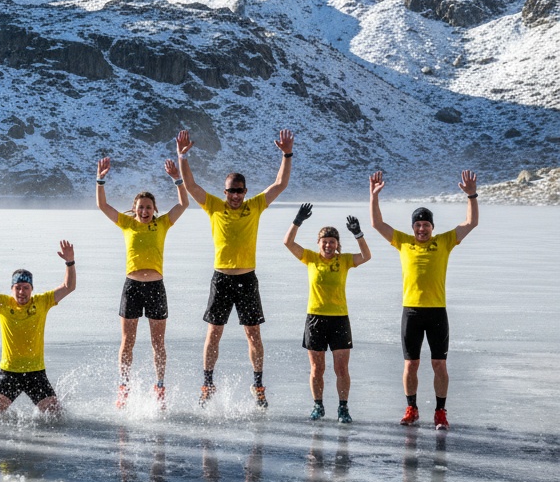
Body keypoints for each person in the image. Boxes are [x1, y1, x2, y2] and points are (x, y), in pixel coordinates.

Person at [177, 127, 295, 408]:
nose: (235, 195)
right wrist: (182, 157)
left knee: (253, 334)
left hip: (247, 279)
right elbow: (191, 186)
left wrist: (287, 155)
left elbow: (280, 184)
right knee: (213, 333)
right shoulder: (214, 207)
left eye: (239, 191)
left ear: (245, 191)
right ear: (225, 191)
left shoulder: (254, 206)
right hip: (221, 279)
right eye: (231, 191)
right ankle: (207, 383)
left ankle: (258, 385)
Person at [369, 169, 478, 429]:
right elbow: (377, 224)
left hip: (437, 311)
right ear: (413, 227)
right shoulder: (403, 242)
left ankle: (440, 412)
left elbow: (470, 223)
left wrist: (471, 196)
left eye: (426, 224)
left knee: (439, 364)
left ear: (432, 227)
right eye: (417, 225)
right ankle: (412, 408)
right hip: (412, 312)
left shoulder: (444, 242)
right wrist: (374, 196)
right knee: (411, 364)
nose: (421, 229)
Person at [95, 154, 189, 408]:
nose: (145, 211)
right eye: (141, 207)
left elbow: (183, 204)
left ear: (154, 209)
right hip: (132, 287)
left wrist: (177, 179)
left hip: (156, 287)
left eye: (148, 207)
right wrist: (100, 180)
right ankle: (124, 386)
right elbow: (103, 206)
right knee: (128, 341)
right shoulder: (127, 224)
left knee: (158, 342)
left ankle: (159, 386)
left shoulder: (163, 224)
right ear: (134, 208)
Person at [0, 241, 76, 418]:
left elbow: (69, 287)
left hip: (35, 373)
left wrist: (70, 262)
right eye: (18, 288)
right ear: (12, 289)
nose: (21, 292)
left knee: (58, 417)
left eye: (26, 288)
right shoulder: (2, 303)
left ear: (32, 289)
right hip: (10, 372)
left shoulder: (42, 302)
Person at [283, 204, 372, 423]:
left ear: (337, 245)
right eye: (325, 241)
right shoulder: (310, 258)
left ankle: (343, 408)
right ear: (319, 243)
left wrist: (358, 234)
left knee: (341, 368)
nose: (328, 245)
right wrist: (297, 221)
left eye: (332, 241)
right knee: (317, 368)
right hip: (315, 318)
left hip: (339, 319)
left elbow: (366, 256)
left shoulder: (344, 260)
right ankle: (318, 405)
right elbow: (288, 243)